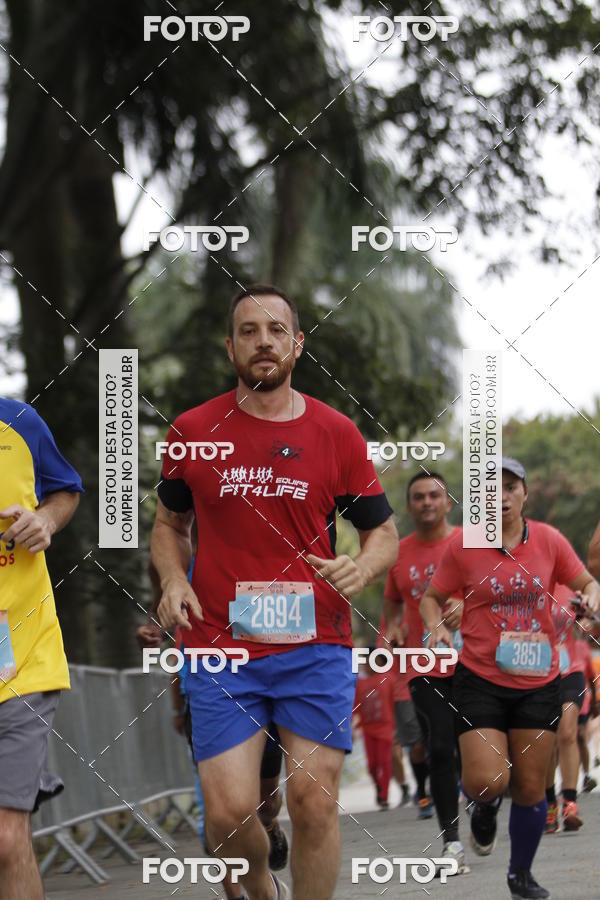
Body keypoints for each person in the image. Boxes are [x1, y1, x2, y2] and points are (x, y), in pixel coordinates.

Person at [151, 284, 398, 900]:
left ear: (297, 343)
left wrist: (362, 570)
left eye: (277, 330)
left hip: (315, 641)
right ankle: (260, 884)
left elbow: (383, 534)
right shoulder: (192, 430)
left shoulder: (336, 433)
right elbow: (168, 526)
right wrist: (175, 577)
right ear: (230, 346)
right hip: (219, 645)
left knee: (313, 801)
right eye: (249, 331)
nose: (264, 342)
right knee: (230, 814)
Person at [421, 457, 600, 900]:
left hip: (538, 678)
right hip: (480, 675)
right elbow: (431, 598)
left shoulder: (550, 542)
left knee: (528, 785)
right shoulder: (463, 545)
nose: (499, 495)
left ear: (524, 494)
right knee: (487, 780)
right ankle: (483, 806)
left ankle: (520, 875)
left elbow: (587, 581)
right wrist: (438, 627)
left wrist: (590, 599)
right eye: (489, 488)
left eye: (509, 487)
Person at [0, 398, 82, 900]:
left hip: (23, 656)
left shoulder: (19, 422)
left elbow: (65, 491)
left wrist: (44, 521)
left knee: (6, 837)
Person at [384, 471, 466, 870]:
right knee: (438, 746)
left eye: (435, 495)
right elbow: (394, 608)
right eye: (419, 497)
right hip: (424, 664)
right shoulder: (398, 554)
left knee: (475, 753)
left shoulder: (472, 543)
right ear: (410, 506)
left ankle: (484, 809)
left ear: (448, 503)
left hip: (477, 663)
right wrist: (395, 630)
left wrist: (469, 606)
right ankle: (451, 840)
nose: (427, 502)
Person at [544, 585, 592, 832]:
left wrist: (586, 620)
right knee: (547, 742)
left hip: (570, 669)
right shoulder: (526, 582)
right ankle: (549, 804)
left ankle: (570, 803)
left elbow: (589, 617)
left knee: (566, 733)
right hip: (538, 672)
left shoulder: (570, 587)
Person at [353, 647, 395, 809]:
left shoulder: (388, 678)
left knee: (384, 761)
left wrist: (396, 728)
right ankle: (378, 786)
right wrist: (351, 725)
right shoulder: (360, 682)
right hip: (368, 728)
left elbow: (394, 703)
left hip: (386, 727)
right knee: (372, 764)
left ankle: (384, 795)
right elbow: (355, 705)